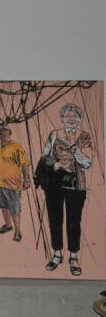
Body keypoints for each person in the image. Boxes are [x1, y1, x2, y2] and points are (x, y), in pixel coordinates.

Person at [39, 103, 92, 275]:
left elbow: (88, 163)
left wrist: (76, 150)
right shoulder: (54, 134)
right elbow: (44, 157)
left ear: (79, 119)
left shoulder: (84, 136)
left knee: (74, 222)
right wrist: (55, 164)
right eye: (67, 116)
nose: (71, 119)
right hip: (55, 185)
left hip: (76, 185)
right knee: (55, 220)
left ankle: (74, 256)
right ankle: (57, 254)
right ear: (62, 118)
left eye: (75, 116)